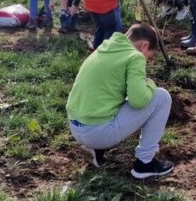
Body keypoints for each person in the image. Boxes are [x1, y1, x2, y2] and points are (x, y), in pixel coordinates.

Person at [66, 23, 174, 180]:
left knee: (112, 95)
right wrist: (149, 84)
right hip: (97, 132)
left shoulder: (107, 46)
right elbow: (138, 101)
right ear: (144, 45)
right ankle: (145, 163)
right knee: (162, 97)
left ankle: (97, 150)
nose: (147, 61)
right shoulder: (134, 56)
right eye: (148, 57)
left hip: (76, 127)